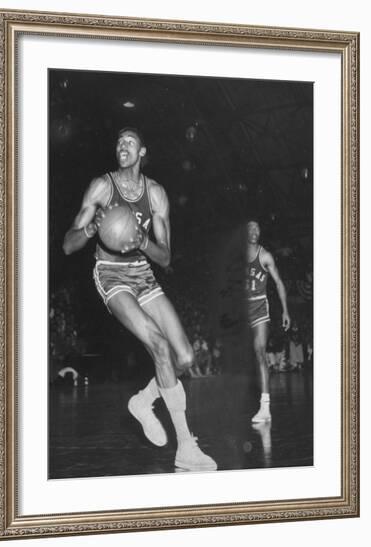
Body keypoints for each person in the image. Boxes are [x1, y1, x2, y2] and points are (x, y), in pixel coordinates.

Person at [63, 127, 216, 471]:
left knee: (187, 356)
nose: (122, 145)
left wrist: (141, 240)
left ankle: (143, 401)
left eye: (129, 141)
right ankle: (186, 447)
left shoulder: (157, 194)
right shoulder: (102, 187)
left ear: (142, 151)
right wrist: (90, 230)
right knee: (160, 347)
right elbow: (67, 244)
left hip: (143, 274)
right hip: (111, 275)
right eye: (118, 141)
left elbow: (165, 258)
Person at [246, 221, 291, 422]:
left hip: (258, 308)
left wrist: (285, 311)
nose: (254, 231)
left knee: (259, 351)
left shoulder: (264, 256)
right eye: (250, 228)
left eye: (257, 228)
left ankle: (265, 408)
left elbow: (279, 282)